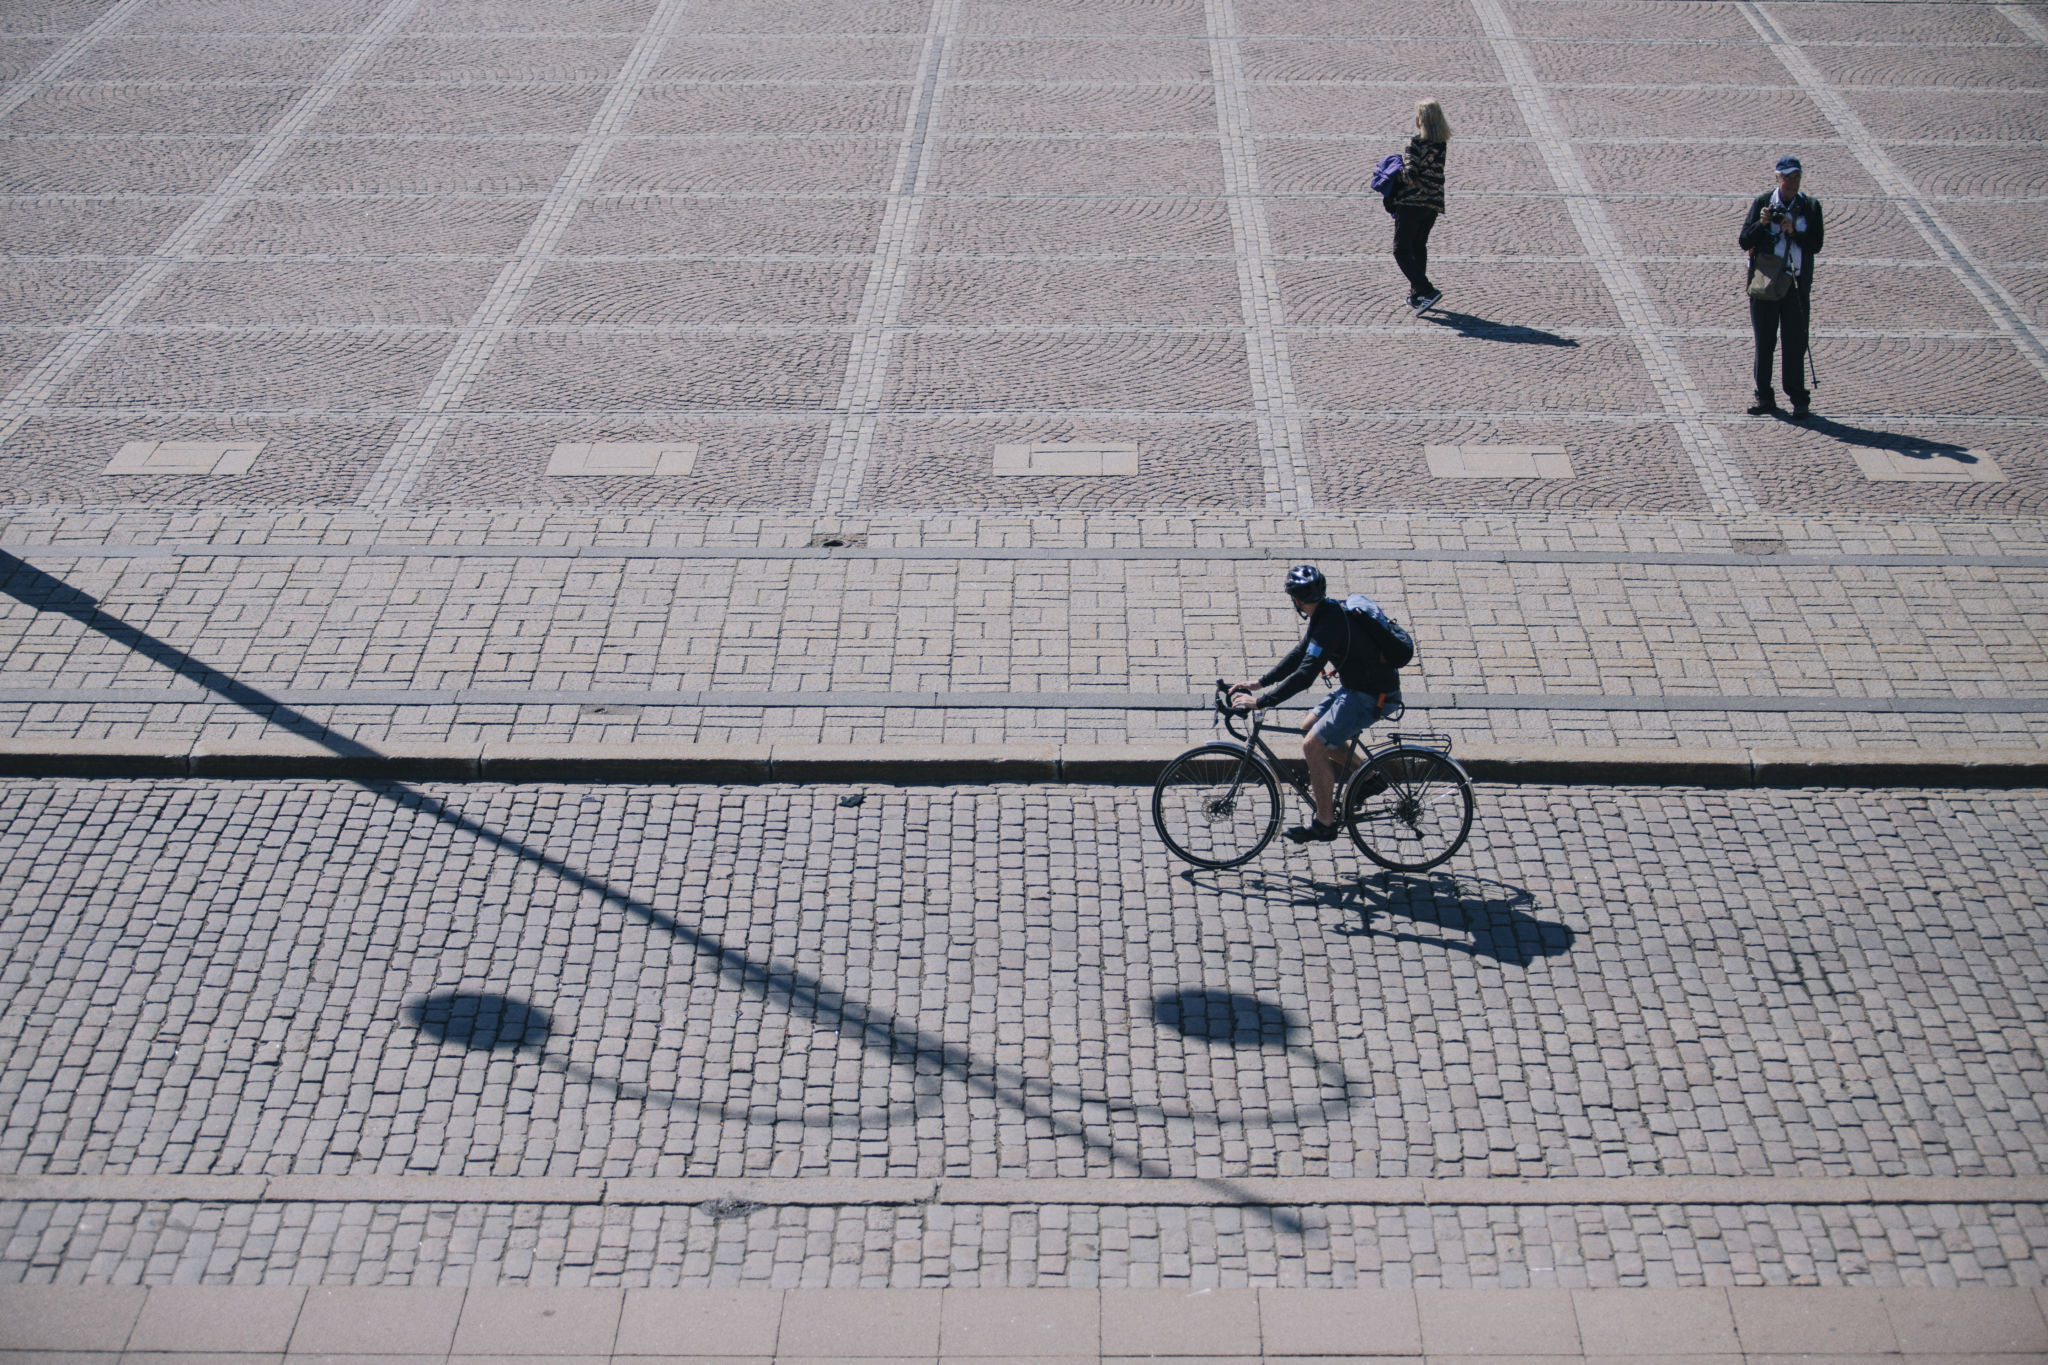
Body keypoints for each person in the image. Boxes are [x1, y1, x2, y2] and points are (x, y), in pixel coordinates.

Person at [1229, 565, 1409, 844]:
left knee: (1313, 745)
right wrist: (1260, 682)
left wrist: (1262, 702)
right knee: (1309, 727)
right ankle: (1370, 776)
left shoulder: (1328, 624)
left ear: (1296, 600)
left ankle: (1325, 823)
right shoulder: (1326, 611)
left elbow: (1305, 676)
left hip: (1371, 696)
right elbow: (1301, 654)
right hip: (1358, 687)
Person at [1739, 154, 1824, 420]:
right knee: (1764, 342)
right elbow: (1744, 241)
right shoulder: (1763, 203)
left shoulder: (1810, 206)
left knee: (1795, 342)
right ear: (1777, 178)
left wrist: (1793, 232)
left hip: (1796, 284)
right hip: (1766, 283)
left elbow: (1816, 245)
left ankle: (1798, 397)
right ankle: (1764, 396)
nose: (1792, 183)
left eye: (1797, 177)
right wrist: (1762, 223)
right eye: (1787, 178)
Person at [1390, 98, 1451, 312]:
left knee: (1401, 250)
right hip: (1432, 204)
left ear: (1421, 120)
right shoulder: (1440, 144)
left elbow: (1410, 175)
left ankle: (1426, 290)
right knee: (1418, 246)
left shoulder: (1415, 144)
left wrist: (1394, 174)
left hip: (1411, 203)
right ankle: (1417, 296)